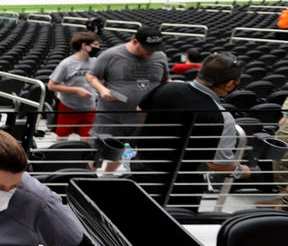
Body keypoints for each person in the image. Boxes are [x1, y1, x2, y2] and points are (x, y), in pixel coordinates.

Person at [135, 53, 248, 210]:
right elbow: (218, 165)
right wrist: (241, 171)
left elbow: (141, 109)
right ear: (229, 84)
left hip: (140, 168)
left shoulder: (168, 87)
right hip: (179, 186)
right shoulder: (222, 117)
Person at [85, 25, 169, 174]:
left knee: (123, 151)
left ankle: (107, 178)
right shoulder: (111, 55)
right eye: (147, 48)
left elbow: (165, 81)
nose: (151, 53)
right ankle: (88, 178)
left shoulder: (160, 56)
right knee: (98, 151)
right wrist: (102, 89)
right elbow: (91, 76)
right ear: (135, 41)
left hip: (142, 119)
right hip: (111, 116)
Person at [47, 31, 100, 141]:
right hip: (68, 107)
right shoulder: (66, 63)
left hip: (89, 108)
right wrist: (76, 90)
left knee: (88, 139)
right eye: (95, 45)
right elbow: (51, 86)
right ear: (84, 45)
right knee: (62, 138)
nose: (98, 48)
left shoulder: (96, 62)